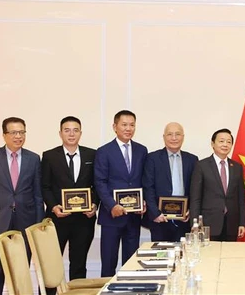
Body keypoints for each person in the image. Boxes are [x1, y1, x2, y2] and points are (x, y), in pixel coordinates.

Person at [0, 117, 45, 295]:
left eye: (22, 132)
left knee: (21, 270)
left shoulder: (33, 159)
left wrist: (38, 224)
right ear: (4, 135)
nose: (19, 136)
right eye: (14, 132)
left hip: (26, 222)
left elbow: (38, 194)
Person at [41, 116, 99, 283]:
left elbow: (98, 185)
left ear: (81, 133)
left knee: (79, 265)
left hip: (84, 220)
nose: (71, 134)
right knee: (51, 265)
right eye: (67, 130)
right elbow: (45, 186)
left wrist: (94, 204)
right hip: (57, 220)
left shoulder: (92, 155)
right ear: (60, 133)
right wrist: (53, 207)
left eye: (75, 130)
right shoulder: (49, 156)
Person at [94, 110, 148, 277]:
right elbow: (100, 182)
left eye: (132, 125)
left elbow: (144, 180)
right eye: (124, 125)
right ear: (115, 126)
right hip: (112, 216)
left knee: (131, 263)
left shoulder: (142, 150)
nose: (128, 128)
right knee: (108, 262)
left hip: (133, 217)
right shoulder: (104, 151)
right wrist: (112, 205)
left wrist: (143, 202)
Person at [143, 122, 198, 242]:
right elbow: (148, 188)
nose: (174, 138)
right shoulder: (152, 158)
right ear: (164, 137)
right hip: (159, 219)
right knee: (161, 256)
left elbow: (195, 190)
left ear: (183, 137)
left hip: (184, 219)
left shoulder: (192, 160)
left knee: (183, 255)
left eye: (177, 134)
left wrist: (191, 211)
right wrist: (155, 213)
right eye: (170, 134)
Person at [190, 128, 245, 242]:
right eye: (221, 141)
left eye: (229, 142)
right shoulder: (202, 166)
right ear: (213, 144)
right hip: (208, 224)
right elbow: (195, 198)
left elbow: (241, 198)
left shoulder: (237, 167)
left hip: (231, 224)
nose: (225, 144)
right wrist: (195, 223)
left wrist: (242, 223)